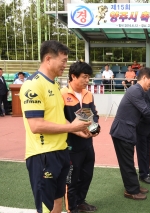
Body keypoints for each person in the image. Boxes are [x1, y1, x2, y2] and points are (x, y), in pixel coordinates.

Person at [19, 40, 91, 213]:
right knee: (47, 208)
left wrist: (78, 129)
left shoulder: (54, 84)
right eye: (63, 61)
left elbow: (58, 118)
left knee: (58, 204)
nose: (65, 66)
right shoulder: (33, 85)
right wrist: (72, 128)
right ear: (48, 59)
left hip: (61, 151)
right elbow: (36, 125)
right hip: (43, 155)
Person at [110, 67, 150, 200]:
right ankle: (131, 191)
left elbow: (148, 112)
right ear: (144, 78)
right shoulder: (135, 90)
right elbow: (146, 111)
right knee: (127, 164)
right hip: (122, 132)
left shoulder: (140, 91)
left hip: (128, 131)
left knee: (130, 162)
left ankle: (135, 186)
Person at [61, 61, 100, 213]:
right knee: (71, 180)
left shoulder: (88, 94)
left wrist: (95, 128)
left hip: (88, 144)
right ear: (73, 76)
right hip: (71, 145)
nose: (87, 80)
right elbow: (59, 119)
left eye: (88, 77)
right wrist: (75, 130)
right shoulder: (62, 94)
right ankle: (72, 208)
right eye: (84, 77)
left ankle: (80, 201)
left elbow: (93, 115)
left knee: (87, 175)